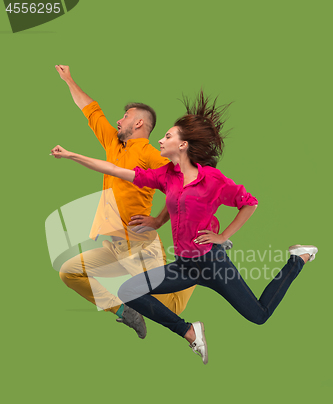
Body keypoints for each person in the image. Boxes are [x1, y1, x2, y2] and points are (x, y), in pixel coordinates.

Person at [50, 91, 318, 364]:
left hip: (212, 263)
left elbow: (249, 203)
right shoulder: (167, 177)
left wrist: (223, 236)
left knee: (259, 316)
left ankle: (298, 258)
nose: (160, 140)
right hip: (184, 265)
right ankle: (190, 331)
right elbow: (118, 171)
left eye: (167, 136)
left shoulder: (211, 179)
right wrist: (72, 156)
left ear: (183, 145)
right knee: (128, 291)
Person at [53, 65, 203, 339]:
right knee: (69, 273)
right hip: (111, 245)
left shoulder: (148, 153)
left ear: (139, 124)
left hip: (138, 245)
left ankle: (198, 268)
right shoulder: (113, 144)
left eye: (125, 116)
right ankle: (123, 311)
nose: (118, 120)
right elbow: (91, 110)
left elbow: (185, 183)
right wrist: (69, 79)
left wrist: (159, 219)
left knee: (166, 305)